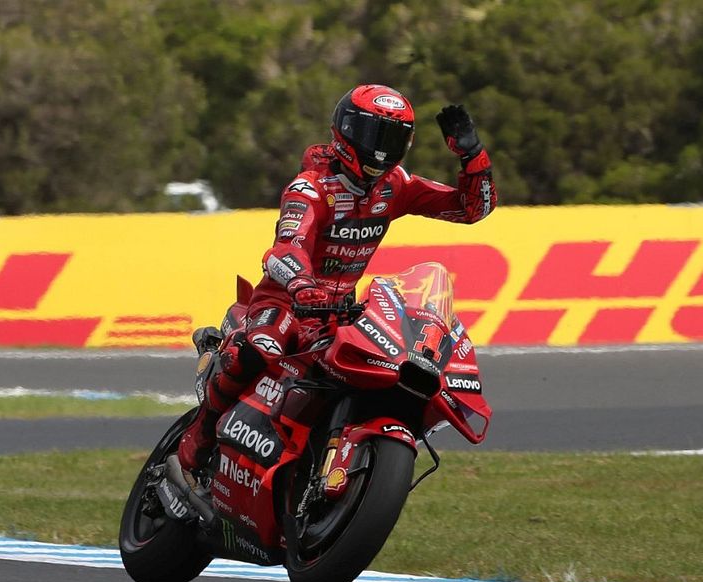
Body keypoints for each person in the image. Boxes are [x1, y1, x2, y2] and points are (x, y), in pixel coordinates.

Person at [177, 83, 497, 477]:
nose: (381, 149)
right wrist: (302, 287)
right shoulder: (310, 187)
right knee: (262, 347)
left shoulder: (396, 186)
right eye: (373, 135)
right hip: (286, 302)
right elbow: (284, 249)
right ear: (346, 130)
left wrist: (471, 155)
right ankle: (201, 434)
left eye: (393, 137)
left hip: (344, 312)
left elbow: (470, 210)